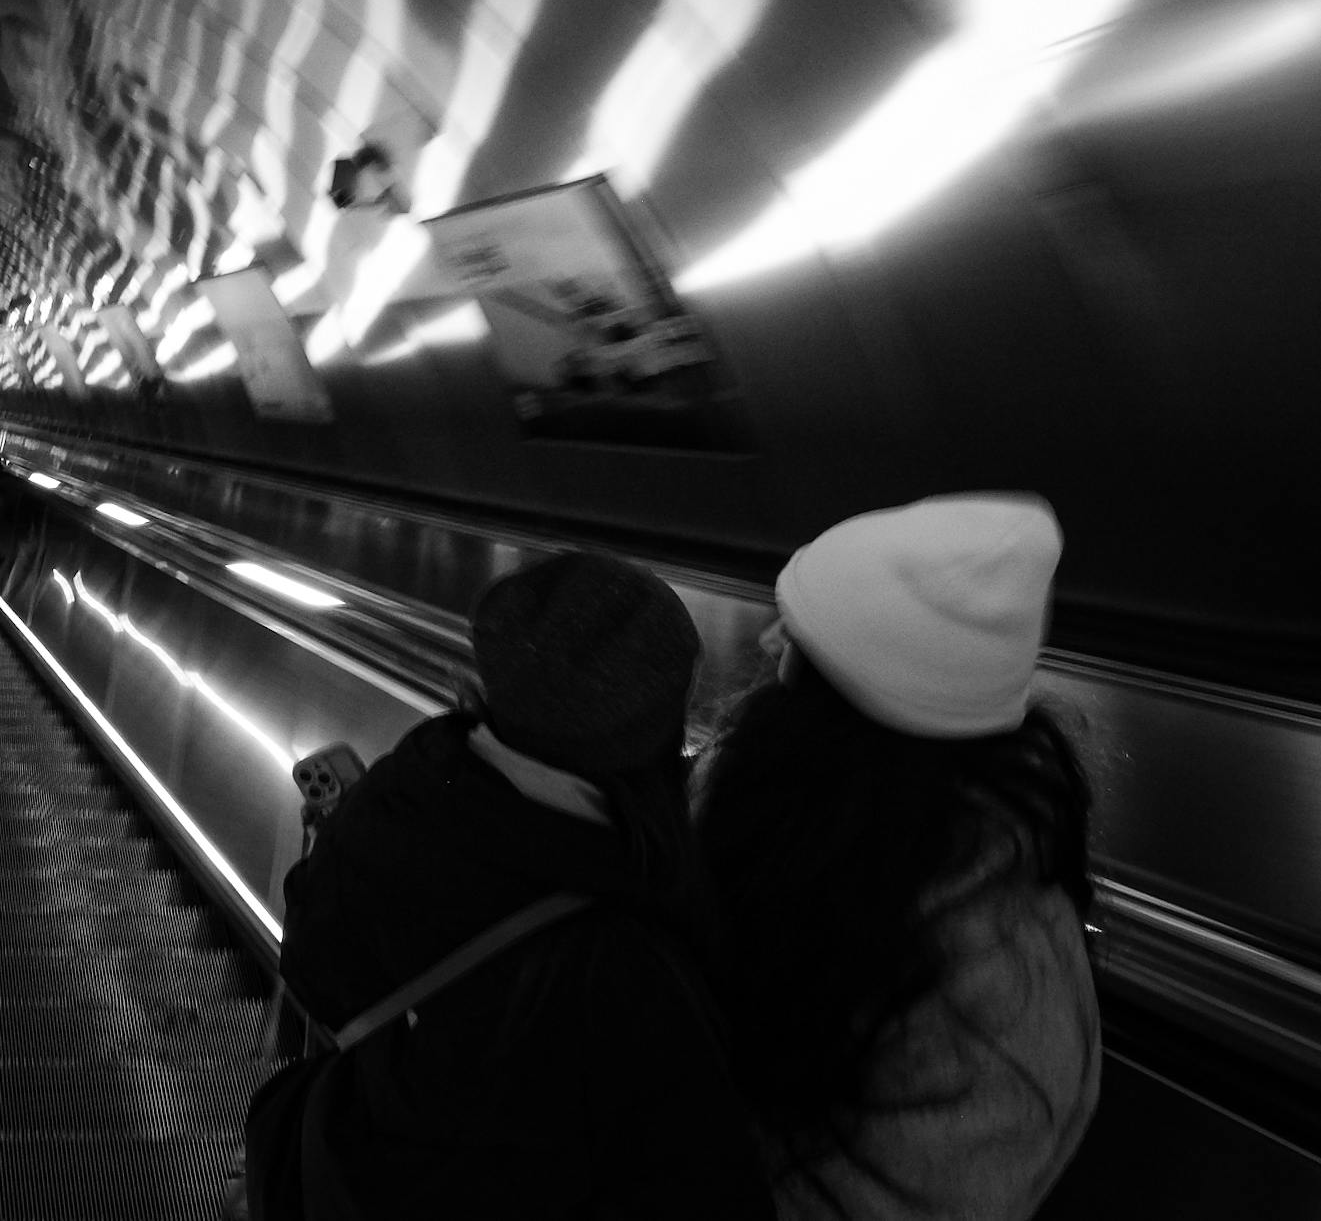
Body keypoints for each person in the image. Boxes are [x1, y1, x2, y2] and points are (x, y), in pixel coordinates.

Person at [265, 551, 771, 1219]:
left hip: (369, 1170)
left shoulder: (405, 787)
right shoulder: (633, 957)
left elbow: (312, 962)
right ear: (665, 729)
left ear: (472, 689)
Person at [697, 496, 1098, 1221]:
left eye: (796, 634)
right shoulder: (802, 827)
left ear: (847, 705)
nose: (763, 640)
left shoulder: (996, 974)